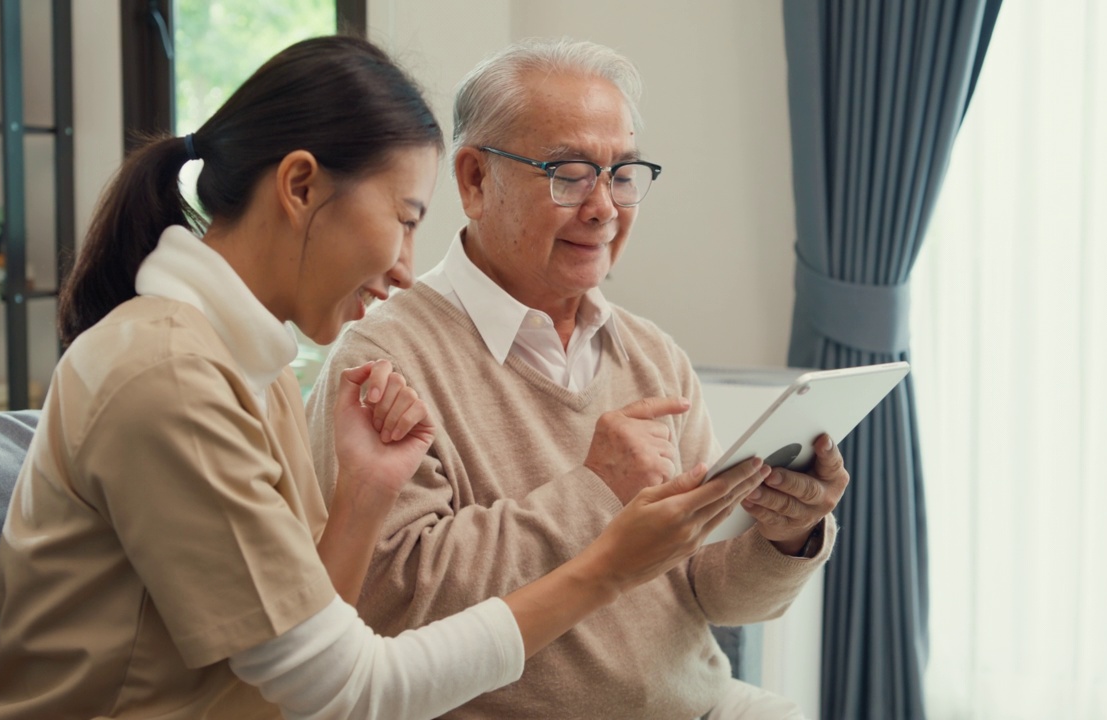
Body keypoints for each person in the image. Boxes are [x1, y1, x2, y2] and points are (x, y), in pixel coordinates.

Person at [0, 35, 769, 720]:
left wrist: (362, 491)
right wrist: (603, 565)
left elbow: (308, 638)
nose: (403, 269)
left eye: (622, 173)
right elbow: (341, 688)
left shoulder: (247, 365)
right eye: (405, 219)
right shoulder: (170, 376)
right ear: (299, 187)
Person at [304, 38, 851, 720]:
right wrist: (593, 493)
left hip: (702, 704)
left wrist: (785, 536)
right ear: (475, 180)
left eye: (623, 174)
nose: (605, 207)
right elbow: (388, 603)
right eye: (569, 172)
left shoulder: (654, 354)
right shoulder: (384, 360)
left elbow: (717, 594)